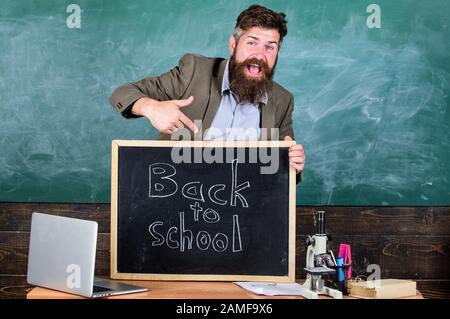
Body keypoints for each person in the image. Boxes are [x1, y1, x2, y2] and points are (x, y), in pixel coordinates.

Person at [109, 4, 305, 175]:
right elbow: (122, 93)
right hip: (173, 200)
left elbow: (282, 171)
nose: (260, 55)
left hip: (241, 209)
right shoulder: (194, 72)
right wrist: (150, 107)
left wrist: (293, 164)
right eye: (252, 42)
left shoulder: (282, 100)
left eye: (270, 47)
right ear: (233, 45)